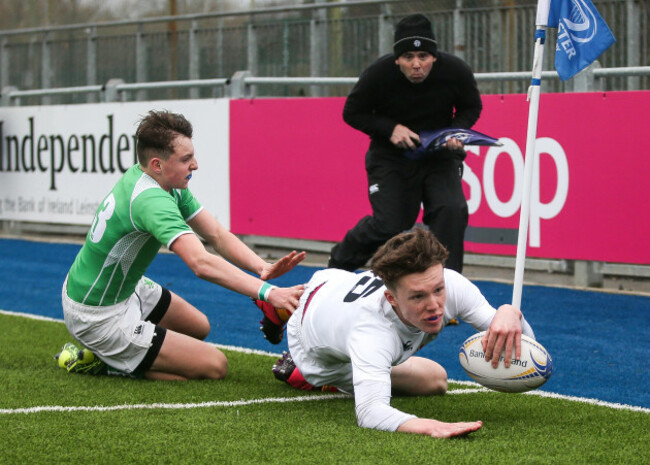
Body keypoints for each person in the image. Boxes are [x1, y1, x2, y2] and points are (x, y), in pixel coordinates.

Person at [57, 110, 305, 380]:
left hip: (123, 290)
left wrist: (262, 267)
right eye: (186, 159)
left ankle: (124, 351)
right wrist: (269, 293)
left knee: (199, 327)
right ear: (157, 164)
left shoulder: (163, 182)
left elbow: (217, 236)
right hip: (97, 315)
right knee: (214, 366)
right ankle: (104, 361)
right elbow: (200, 263)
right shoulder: (151, 200)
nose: (195, 165)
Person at [270, 228, 534, 438]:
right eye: (418, 296)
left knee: (436, 381)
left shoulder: (449, 283)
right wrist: (429, 425)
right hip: (312, 346)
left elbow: (529, 349)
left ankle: (283, 308)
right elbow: (370, 413)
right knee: (354, 364)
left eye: (438, 290)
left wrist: (511, 313)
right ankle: (293, 345)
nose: (434, 304)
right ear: (392, 298)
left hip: (336, 284)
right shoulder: (370, 334)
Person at [328, 13, 482, 273]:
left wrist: (456, 131)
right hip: (391, 158)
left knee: (451, 211)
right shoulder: (378, 74)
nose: (416, 64)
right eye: (408, 57)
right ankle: (337, 267)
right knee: (390, 224)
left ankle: (448, 288)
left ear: (434, 56)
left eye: (423, 57)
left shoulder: (456, 71)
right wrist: (390, 129)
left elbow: (471, 106)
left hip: (439, 156)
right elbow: (352, 112)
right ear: (397, 59)